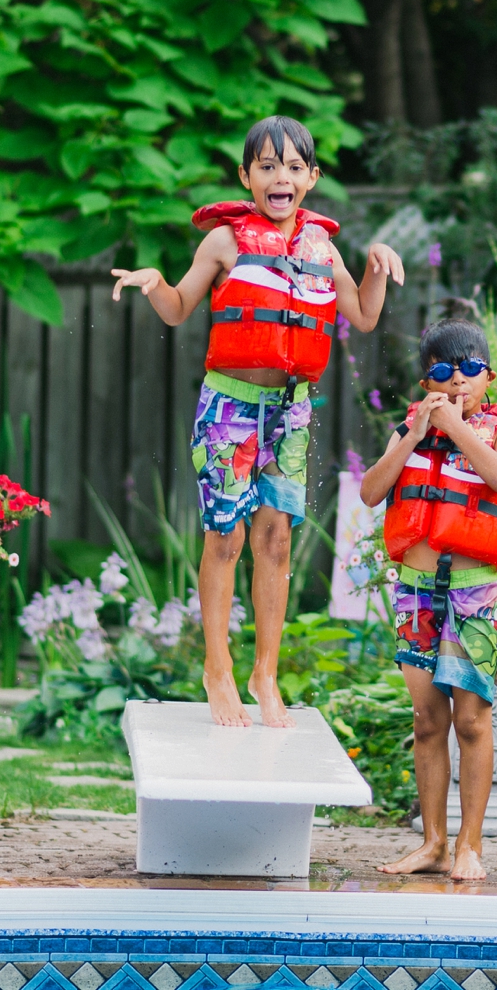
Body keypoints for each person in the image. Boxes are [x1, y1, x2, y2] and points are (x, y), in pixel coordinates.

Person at [111, 116, 405, 728]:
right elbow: (179, 308)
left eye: (294, 167)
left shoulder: (322, 249)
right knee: (227, 538)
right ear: (246, 177)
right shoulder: (223, 241)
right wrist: (154, 282)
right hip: (231, 409)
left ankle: (263, 673)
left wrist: (376, 266)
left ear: (312, 178)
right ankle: (217, 667)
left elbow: (364, 316)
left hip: (291, 411)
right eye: (267, 166)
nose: (281, 177)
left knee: (276, 540)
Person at [358, 318, 497, 882]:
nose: (456, 381)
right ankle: (433, 842)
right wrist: (414, 436)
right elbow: (370, 492)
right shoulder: (407, 430)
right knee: (426, 720)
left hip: (473, 592)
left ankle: (469, 845)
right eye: (441, 371)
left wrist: (457, 426)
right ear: (424, 381)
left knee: (472, 720)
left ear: (490, 377)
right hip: (416, 593)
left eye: (468, 370)